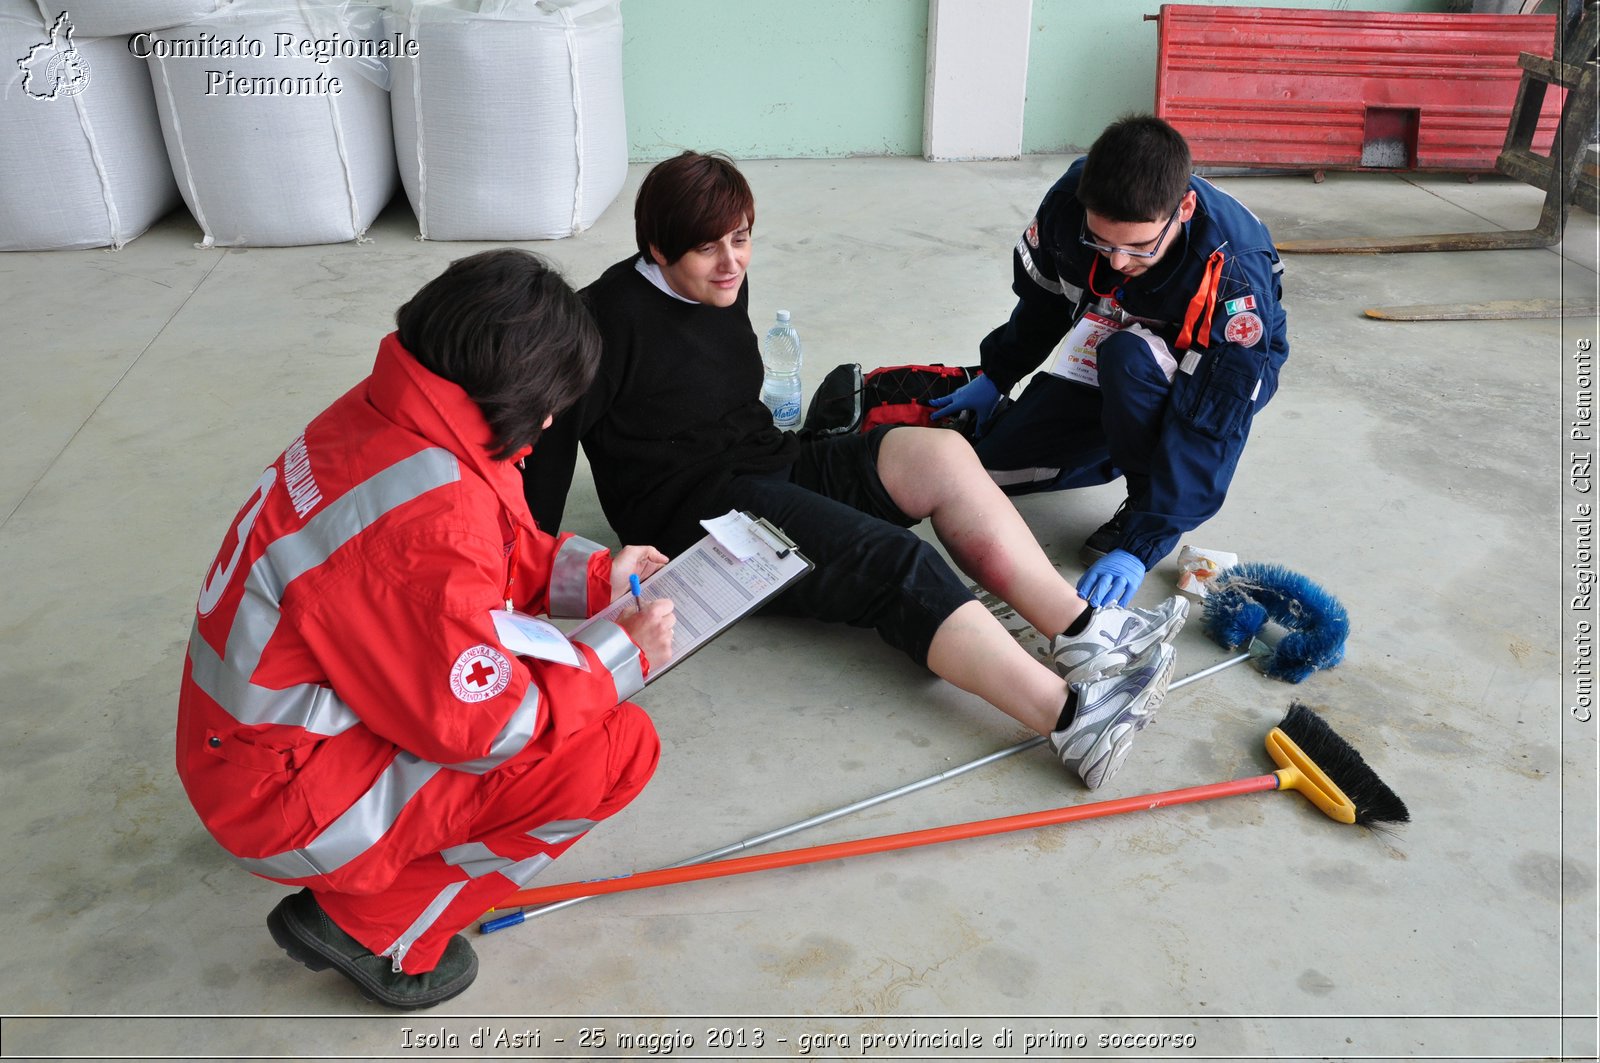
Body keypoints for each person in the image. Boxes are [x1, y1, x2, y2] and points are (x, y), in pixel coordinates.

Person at [524, 150, 1191, 794]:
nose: (732, 263)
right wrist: (519, 587)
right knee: (895, 565)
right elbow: (540, 472)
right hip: (699, 522)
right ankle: (1074, 722)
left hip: (766, 460)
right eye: (708, 249)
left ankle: (1085, 634)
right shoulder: (596, 328)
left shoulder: (720, 283)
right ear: (658, 250)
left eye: (742, 238)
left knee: (940, 454)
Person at [175, 249, 677, 1010]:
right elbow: (486, 723)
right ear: (509, 389)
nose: (548, 422)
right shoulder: (423, 526)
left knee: (573, 709)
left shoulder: (399, 416)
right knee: (611, 748)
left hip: (248, 746)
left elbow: (485, 551)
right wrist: (617, 654)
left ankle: (368, 891)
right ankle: (375, 926)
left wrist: (604, 578)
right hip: (284, 795)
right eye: (546, 404)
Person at [932, 114, 1289, 610]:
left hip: (1204, 374)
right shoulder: (1068, 203)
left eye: (1139, 247)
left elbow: (1213, 423)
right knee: (987, 470)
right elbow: (1044, 301)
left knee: (1128, 357)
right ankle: (1115, 440)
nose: (1117, 261)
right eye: (1102, 242)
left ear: (1183, 208)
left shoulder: (1233, 279)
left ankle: (1142, 495)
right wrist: (998, 373)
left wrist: (1142, 547)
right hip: (1109, 347)